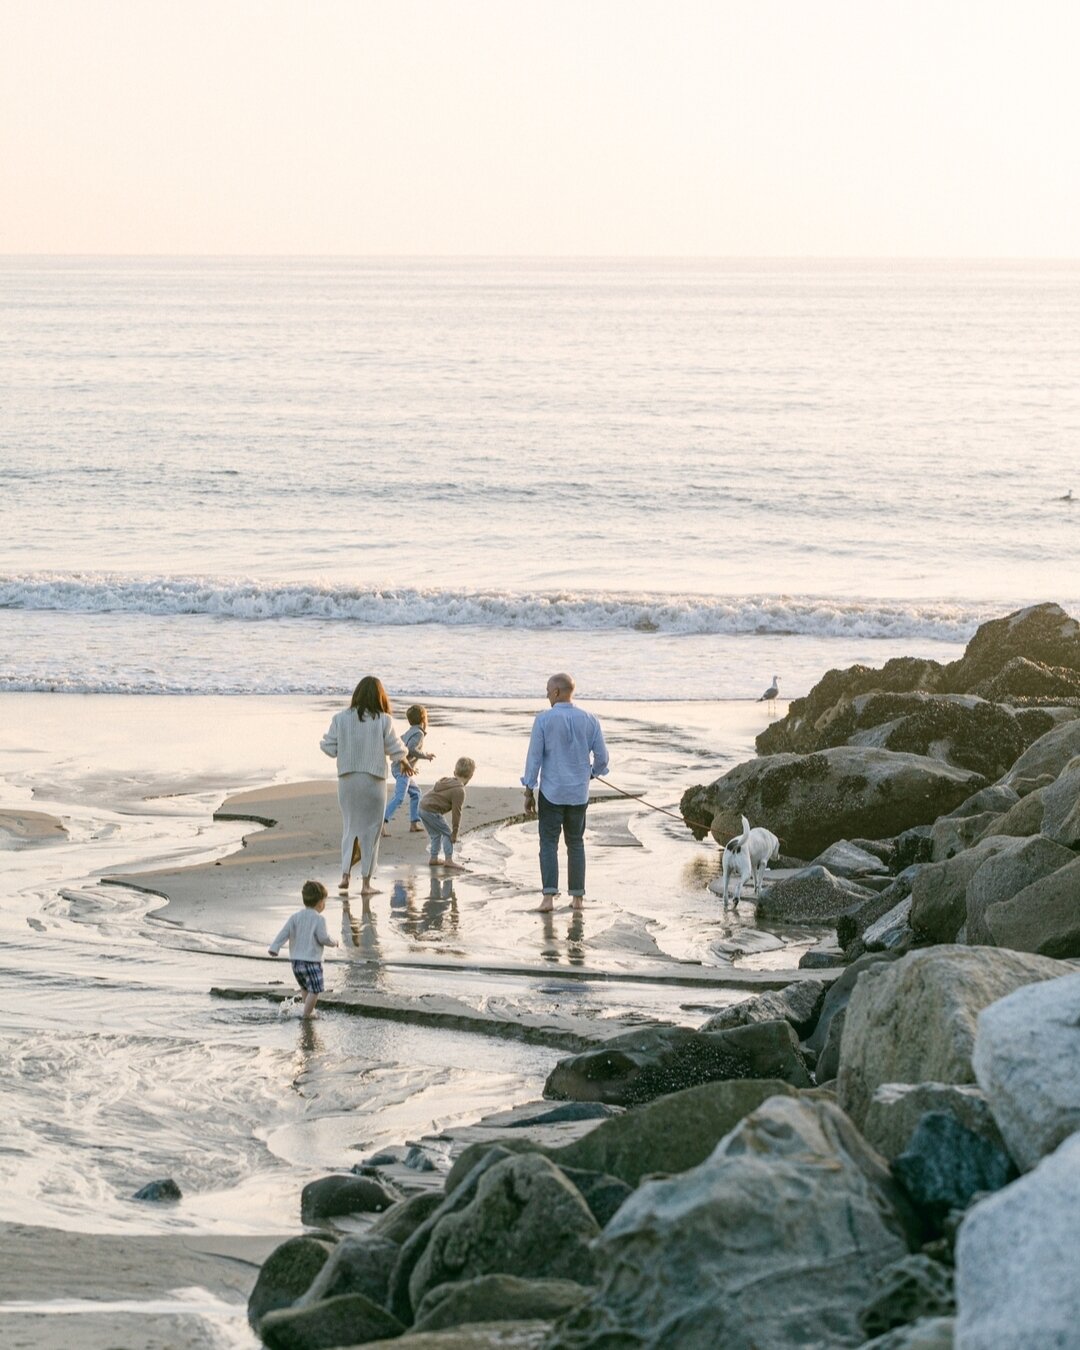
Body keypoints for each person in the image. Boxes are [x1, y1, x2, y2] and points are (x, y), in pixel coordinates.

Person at [521, 672, 608, 912]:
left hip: (551, 791)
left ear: (557, 692)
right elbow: (603, 757)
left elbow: (534, 758)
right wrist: (592, 773)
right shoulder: (590, 719)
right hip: (578, 793)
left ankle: (549, 898)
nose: (547, 695)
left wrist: (529, 790)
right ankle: (578, 899)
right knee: (576, 843)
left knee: (549, 843)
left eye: (548, 691)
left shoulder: (544, 720)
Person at [320, 676, 415, 896]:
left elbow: (329, 748)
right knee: (371, 832)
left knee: (350, 827)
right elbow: (395, 748)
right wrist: (404, 760)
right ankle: (365, 884)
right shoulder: (383, 720)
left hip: (347, 780)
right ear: (380, 696)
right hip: (373, 781)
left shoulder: (340, 718)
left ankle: (345, 875)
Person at [268, 880, 339, 1018]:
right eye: (324, 901)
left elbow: (284, 933)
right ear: (320, 903)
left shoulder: (295, 917)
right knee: (316, 989)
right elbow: (323, 938)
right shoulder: (319, 919)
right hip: (311, 961)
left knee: (305, 987)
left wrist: (274, 948)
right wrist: (334, 942)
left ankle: (305, 1010)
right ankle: (307, 1013)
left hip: (295, 962)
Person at [383, 704, 434, 836]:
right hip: (402, 769)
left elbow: (400, 744)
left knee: (416, 793)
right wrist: (425, 756)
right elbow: (411, 749)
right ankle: (382, 821)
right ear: (424, 721)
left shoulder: (409, 731)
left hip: (402, 767)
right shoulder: (418, 734)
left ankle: (414, 823)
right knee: (399, 797)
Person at [418, 756, 475, 871]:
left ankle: (434, 858)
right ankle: (448, 860)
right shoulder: (459, 790)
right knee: (447, 834)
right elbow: (456, 813)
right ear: (470, 776)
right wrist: (455, 832)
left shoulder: (446, 781)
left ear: (454, 772)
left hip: (422, 807)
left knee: (435, 834)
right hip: (431, 811)